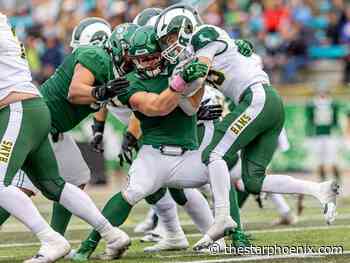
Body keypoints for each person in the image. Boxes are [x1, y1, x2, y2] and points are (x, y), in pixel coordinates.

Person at [154, 4, 339, 249]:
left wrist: (183, 76)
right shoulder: (192, 55)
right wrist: (180, 80)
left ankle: (222, 217)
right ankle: (319, 190)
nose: (168, 45)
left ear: (185, 28)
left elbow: (199, 72)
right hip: (265, 103)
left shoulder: (204, 35)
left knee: (214, 154)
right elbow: (188, 102)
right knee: (253, 180)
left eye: (169, 37)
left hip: (257, 98)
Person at [0, 12, 130, 263]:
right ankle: (111, 233)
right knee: (53, 184)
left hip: (18, 110)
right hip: (33, 112)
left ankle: (51, 238)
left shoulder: (93, 57)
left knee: (4, 184)